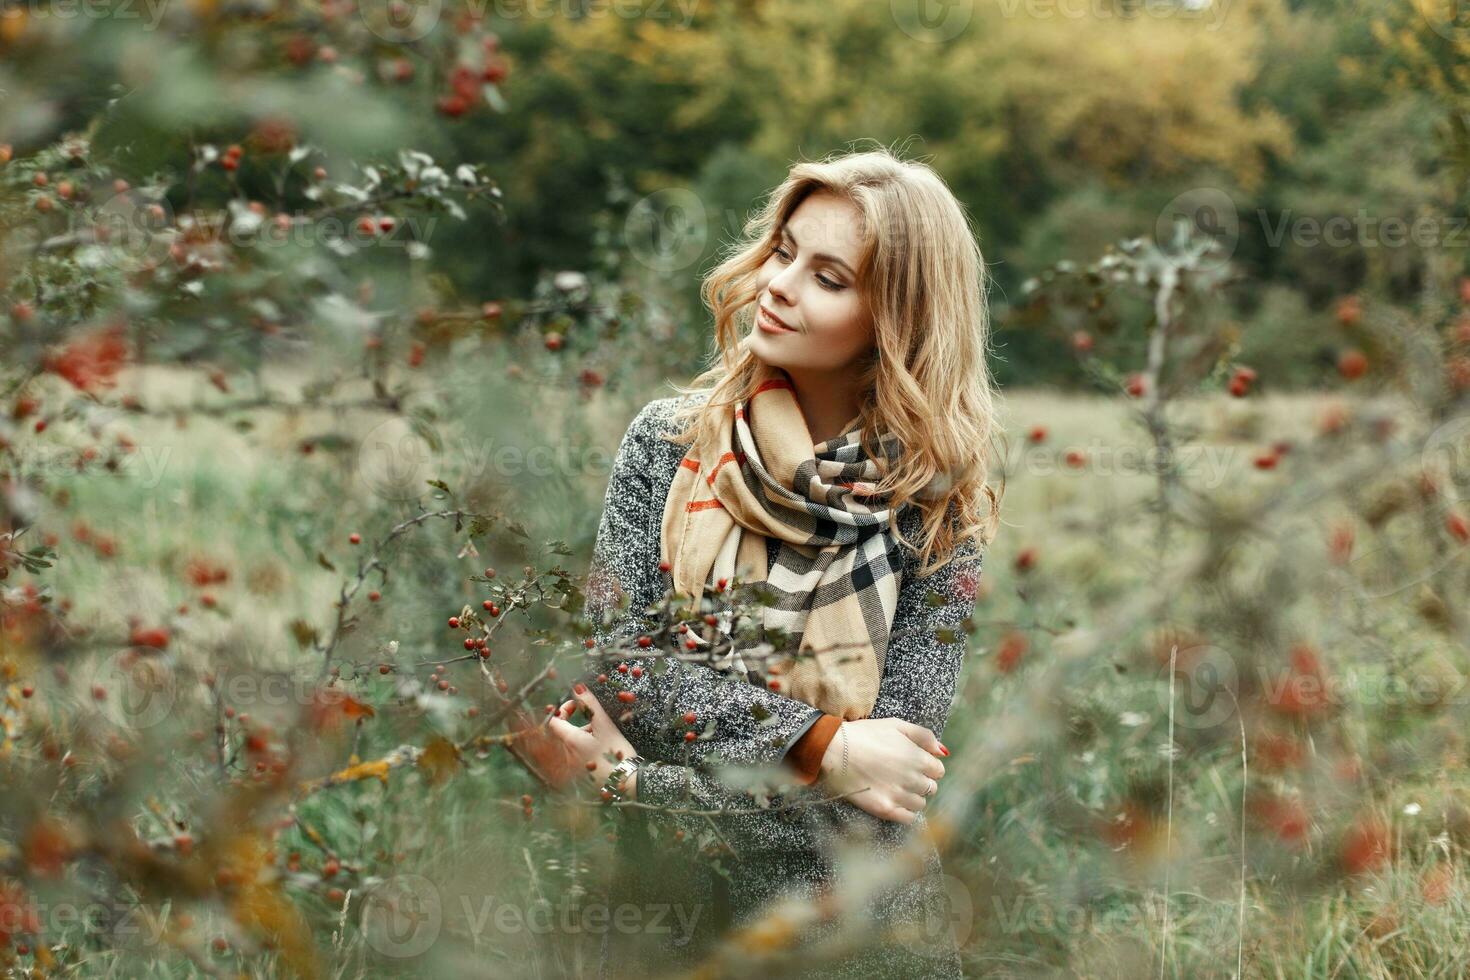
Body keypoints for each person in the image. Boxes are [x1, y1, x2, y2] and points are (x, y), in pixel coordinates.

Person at [549, 144, 1003, 978]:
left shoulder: (938, 506)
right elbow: (621, 671)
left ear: (896, 322)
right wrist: (824, 747)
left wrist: (632, 784)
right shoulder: (669, 441)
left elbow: (888, 788)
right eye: (784, 252)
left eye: (829, 278)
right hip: (669, 914)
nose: (779, 285)